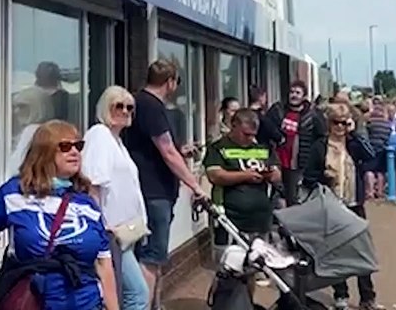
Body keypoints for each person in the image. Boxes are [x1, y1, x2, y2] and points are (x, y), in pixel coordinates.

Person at [0, 120, 118, 310]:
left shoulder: (87, 204)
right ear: (44, 153)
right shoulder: (14, 193)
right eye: (65, 146)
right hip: (36, 301)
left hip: (85, 303)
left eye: (78, 146)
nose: (74, 152)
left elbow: (104, 266)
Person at [122, 59, 207, 310]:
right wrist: (195, 185)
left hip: (152, 191)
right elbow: (167, 151)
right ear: (170, 82)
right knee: (151, 258)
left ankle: (155, 305)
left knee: (155, 257)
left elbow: (161, 148)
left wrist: (182, 151)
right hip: (154, 193)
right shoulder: (151, 106)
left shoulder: (142, 105)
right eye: (176, 82)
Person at [304, 101, 383, 310]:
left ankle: (367, 297)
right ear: (328, 123)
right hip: (331, 207)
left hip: (354, 205)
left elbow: (371, 157)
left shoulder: (353, 144)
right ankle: (341, 294)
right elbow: (308, 178)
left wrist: (355, 133)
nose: (339, 127)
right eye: (335, 123)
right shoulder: (319, 147)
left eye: (343, 122)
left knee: (361, 251)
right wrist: (323, 179)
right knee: (336, 252)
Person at [83, 86, 150, 310]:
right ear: (105, 107)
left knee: (121, 294)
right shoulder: (100, 135)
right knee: (137, 294)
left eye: (129, 107)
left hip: (124, 234)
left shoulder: (116, 141)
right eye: (117, 106)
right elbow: (92, 184)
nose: (124, 111)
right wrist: (100, 225)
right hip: (110, 234)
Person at [204, 109, 280, 253]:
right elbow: (215, 176)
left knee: (260, 260)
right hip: (230, 217)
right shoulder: (218, 148)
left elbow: (278, 175)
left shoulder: (263, 148)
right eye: (246, 134)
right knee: (230, 260)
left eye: (253, 135)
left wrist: (270, 174)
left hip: (260, 217)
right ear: (234, 126)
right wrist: (245, 176)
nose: (250, 139)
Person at [265, 80, 323, 206]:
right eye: (292, 92)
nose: (294, 95)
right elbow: (266, 127)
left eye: (298, 93)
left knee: (293, 196)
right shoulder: (277, 110)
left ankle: (291, 223)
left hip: (297, 163)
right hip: (277, 160)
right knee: (274, 194)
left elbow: (321, 136)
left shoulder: (312, 115)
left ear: (304, 96)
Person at [364, 100, 394, 200]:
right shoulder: (387, 125)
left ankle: (370, 191)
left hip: (370, 149)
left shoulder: (370, 123)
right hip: (383, 150)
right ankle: (380, 191)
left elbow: (365, 135)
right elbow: (389, 135)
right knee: (380, 172)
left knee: (369, 171)